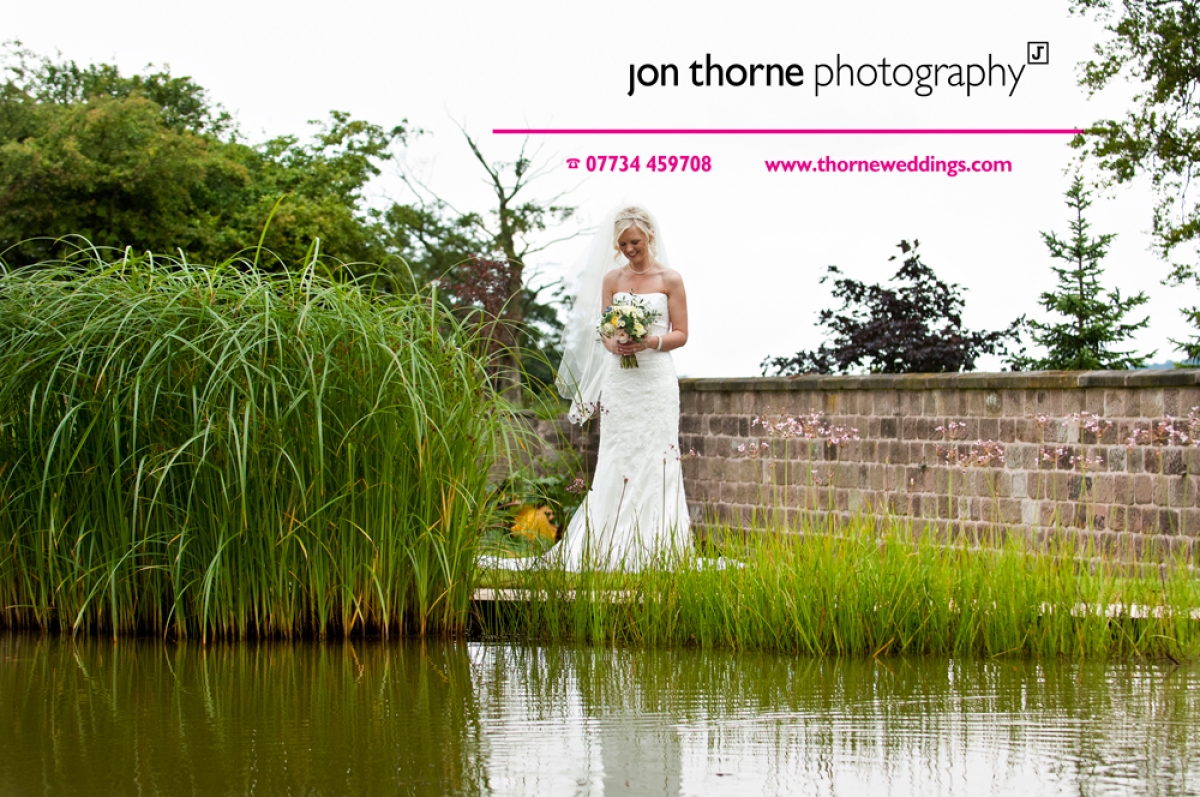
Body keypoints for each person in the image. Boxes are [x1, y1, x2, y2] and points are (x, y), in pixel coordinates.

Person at [486, 204, 693, 571]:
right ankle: (607, 543)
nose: (629, 249)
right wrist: (615, 343)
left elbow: (681, 334)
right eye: (623, 244)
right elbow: (605, 329)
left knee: (658, 456)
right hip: (621, 380)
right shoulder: (612, 280)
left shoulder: (670, 280)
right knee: (617, 455)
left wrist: (649, 342)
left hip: (656, 379)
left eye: (635, 242)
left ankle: (659, 547)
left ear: (649, 237)